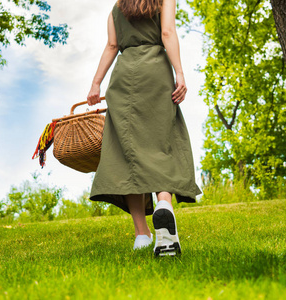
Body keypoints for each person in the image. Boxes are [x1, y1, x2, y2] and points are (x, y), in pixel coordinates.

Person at [87, 0, 201, 257]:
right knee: (162, 142)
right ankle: (163, 204)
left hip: (123, 77)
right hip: (156, 73)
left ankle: (142, 234)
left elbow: (112, 46)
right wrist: (180, 73)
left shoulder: (117, 7)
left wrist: (95, 84)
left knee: (127, 152)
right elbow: (168, 33)